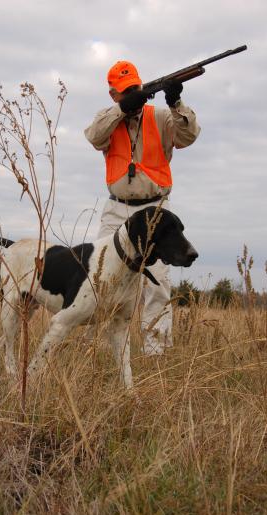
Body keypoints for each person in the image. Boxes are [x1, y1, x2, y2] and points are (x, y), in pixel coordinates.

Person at [84, 60, 200, 355]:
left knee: (157, 284)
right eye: (126, 92)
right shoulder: (108, 118)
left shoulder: (160, 116)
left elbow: (188, 136)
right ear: (114, 95)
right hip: (117, 209)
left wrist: (175, 101)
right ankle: (96, 354)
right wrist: (123, 109)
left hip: (155, 210)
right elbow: (94, 136)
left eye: (136, 88)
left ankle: (156, 354)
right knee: (99, 277)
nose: (133, 94)